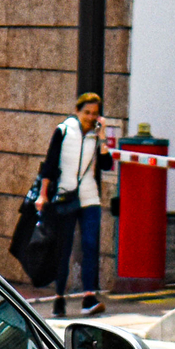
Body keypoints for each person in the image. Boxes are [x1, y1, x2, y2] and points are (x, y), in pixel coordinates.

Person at [34, 91, 106, 318]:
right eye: (86, 112)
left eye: (94, 114)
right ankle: (59, 298)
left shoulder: (96, 135)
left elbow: (106, 163)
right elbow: (50, 163)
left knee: (90, 245)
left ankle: (89, 297)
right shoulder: (64, 131)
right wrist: (43, 194)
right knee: (64, 248)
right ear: (77, 111)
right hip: (65, 196)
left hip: (89, 197)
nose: (90, 117)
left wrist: (102, 138)